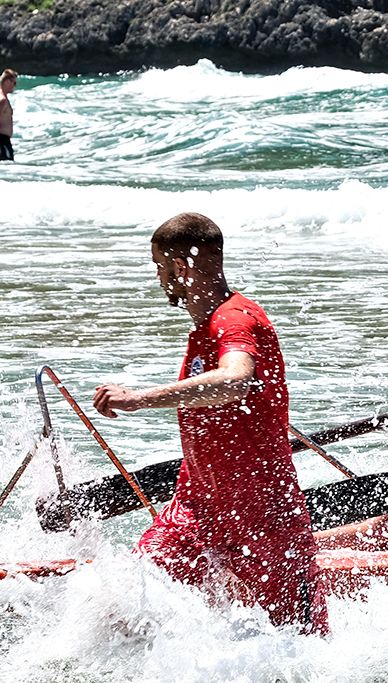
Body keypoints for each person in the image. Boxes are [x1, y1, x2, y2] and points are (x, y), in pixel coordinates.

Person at [91, 213, 326, 634]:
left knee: (301, 644)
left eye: (160, 267)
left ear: (181, 268)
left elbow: (236, 379)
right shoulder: (202, 330)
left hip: (263, 516)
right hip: (196, 512)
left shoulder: (235, 319)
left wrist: (137, 399)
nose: (160, 279)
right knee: (118, 609)